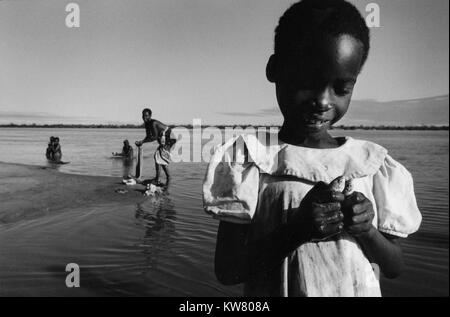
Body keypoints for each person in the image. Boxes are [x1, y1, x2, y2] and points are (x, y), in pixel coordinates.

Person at [203, 0, 422, 297]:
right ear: (275, 69)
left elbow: (395, 266)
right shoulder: (250, 160)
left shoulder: (371, 164)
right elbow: (228, 271)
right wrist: (297, 230)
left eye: (341, 88)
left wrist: (367, 230)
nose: (323, 100)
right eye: (308, 81)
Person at [135, 108, 176, 185]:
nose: (144, 117)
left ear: (150, 116)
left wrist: (142, 142)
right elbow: (148, 136)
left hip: (170, 139)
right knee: (160, 158)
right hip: (165, 139)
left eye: (146, 116)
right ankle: (166, 178)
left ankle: (159, 179)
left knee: (158, 156)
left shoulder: (153, 123)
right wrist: (142, 142)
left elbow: (154, 137)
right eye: (143, 116)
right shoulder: (147, 124)